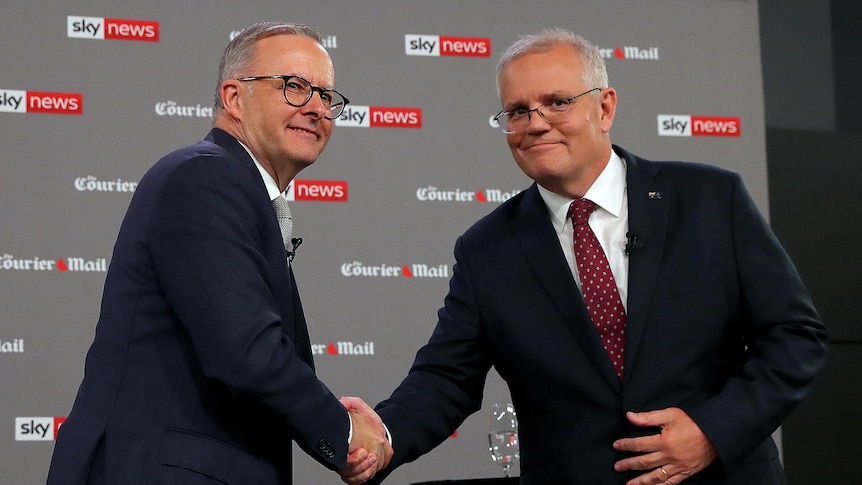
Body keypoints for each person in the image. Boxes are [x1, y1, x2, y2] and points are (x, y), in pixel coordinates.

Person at [344, 29, 828, 484]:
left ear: (605, 107)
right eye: (516, 111)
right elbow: (446, 378)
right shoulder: (486, 249)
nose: (535, 124)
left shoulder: (707, 198)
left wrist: (712, 431)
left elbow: (794, 337)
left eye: (556, 103)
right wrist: (383, 437)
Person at [47, 22, 390, 485]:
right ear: (233, 98)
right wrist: (344, 431)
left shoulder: (233, 186)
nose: (315, 108)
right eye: (293, 87)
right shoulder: (207, 179)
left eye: (326, 96)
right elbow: (247, 352)